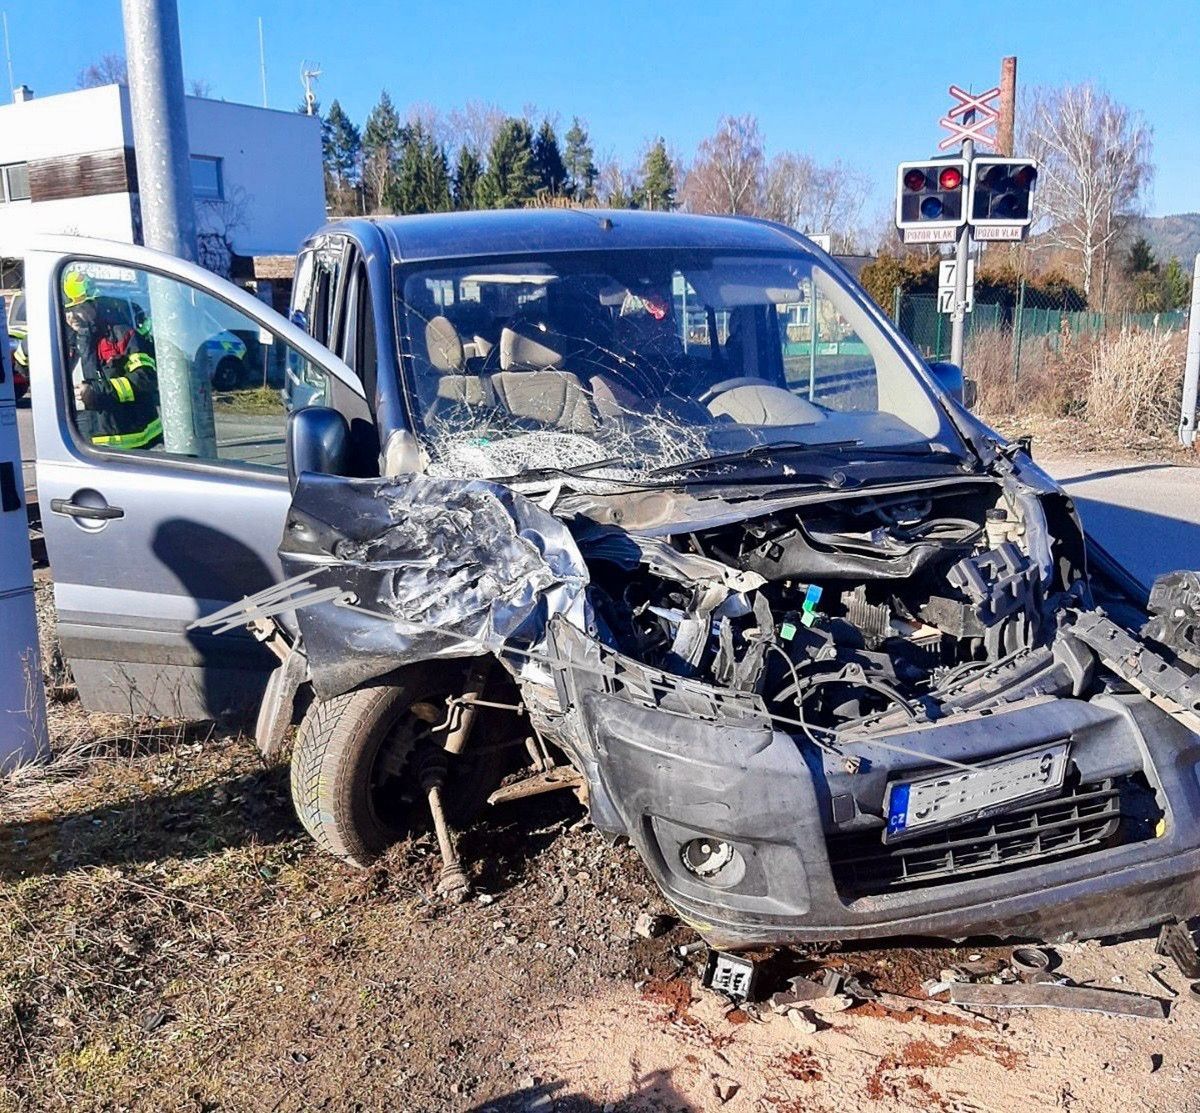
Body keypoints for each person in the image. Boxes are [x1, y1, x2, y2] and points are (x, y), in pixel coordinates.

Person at [62, 269, 162, 450]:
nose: (73, 316)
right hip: (81, 437)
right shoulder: (62, 339)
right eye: (68, 310)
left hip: (129, 437)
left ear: (94, 304)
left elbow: (145, 378)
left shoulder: (121, 334)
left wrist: (99, 391)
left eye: (79, 308)